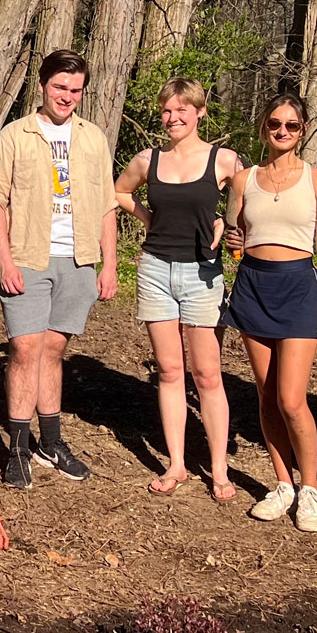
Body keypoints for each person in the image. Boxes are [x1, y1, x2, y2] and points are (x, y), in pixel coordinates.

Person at [0, 49, 118, 489]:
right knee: (24, 350)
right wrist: (4, 261)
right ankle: (18, 449)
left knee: (53, 351)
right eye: (60, 87)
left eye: (75, 90)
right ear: (42, 85)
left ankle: (52, 442)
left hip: (78, 259)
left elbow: (106, 206)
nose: (67, 96)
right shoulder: (15, 135)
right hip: (27, 256)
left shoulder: (92, 138)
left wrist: (109, 263)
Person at [114, 78, 241, 498]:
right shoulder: (149, 160)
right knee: (170, 372)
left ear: (200, 112)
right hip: (154, 271)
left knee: (206, 373)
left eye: (183, 110)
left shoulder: (223, 160)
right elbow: (119, 190)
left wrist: (228, 223)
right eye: (167, 111)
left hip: (202, 275)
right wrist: (148, 219)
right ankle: (177, 464)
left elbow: (248, 201)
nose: (174, 118)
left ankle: (219, 469)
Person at [226, 92, 317, 532]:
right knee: (267, 395)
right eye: (275, 123)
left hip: (297, 288)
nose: (282, 132)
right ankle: (282, 484)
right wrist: (235, 245)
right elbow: (235, 233)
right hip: (253, 286)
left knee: (292, 399)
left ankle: (311, 490)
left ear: (303, 129)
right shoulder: (244, 179)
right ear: (264, 126)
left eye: (292, 125)